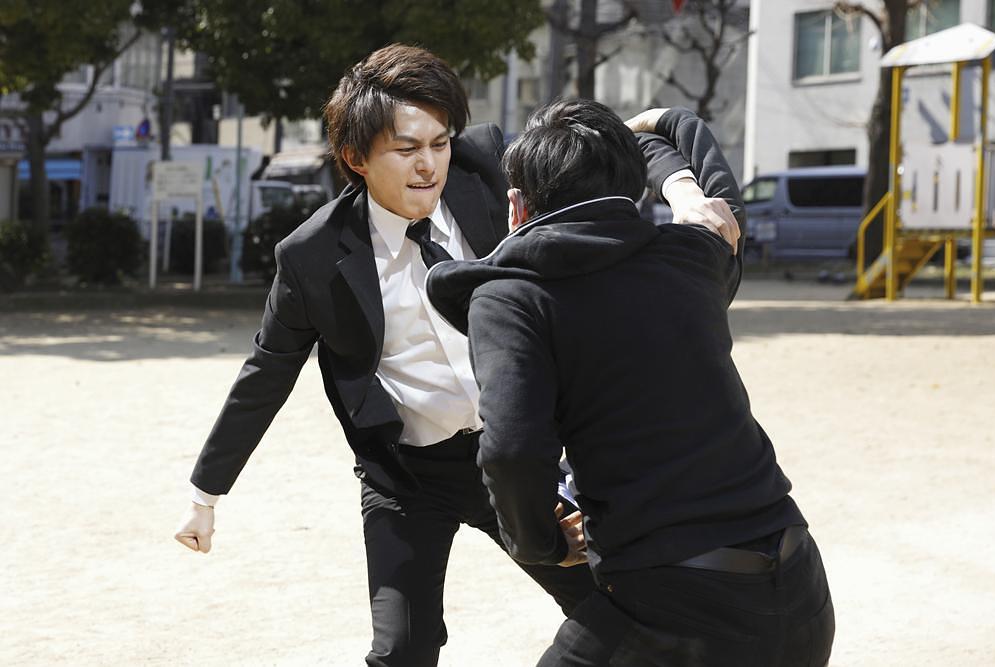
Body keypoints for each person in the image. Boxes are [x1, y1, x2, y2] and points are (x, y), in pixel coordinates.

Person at [172, 45, 730, 666]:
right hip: (408, 478)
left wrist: (682, 190)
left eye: (439, 143)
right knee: (402, 650)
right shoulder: (312, 256)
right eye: (406, 149)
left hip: (514, 456)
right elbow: (266, 373)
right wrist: (205, 496)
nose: (429, 164)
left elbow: (613, 147)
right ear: (356, 158)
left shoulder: (487, 162)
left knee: (619, 605)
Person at [426, 100, 835, 666]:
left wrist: (541, 544)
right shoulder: (693, 257)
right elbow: (716, 194)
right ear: (636, 192)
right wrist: (662, 136)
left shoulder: (512, 298)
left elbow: (513, 450)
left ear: (515, 207)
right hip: (801, 589)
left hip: (672, 610)